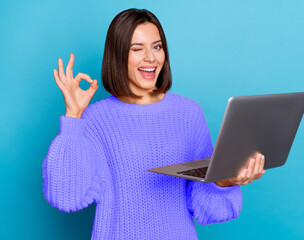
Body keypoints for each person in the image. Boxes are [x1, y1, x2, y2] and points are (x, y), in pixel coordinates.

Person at [42, 8, 265, 240]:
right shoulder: (95, 119)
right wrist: (73, 116)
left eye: (157, 47)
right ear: (118, 55)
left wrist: (224, 181)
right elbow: (65, 196)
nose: (151, 58)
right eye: (137, 49)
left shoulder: (189, 113)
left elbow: (205, 208)